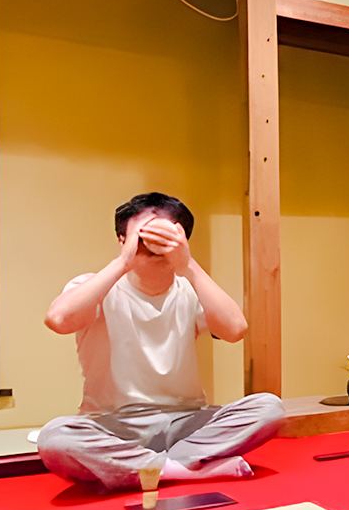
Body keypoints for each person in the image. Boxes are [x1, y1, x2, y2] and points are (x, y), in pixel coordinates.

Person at [38, 192, 283, 490]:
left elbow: (235, 329)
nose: (153, 242)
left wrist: (188, 264)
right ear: (121, 239)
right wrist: (123, 261)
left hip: (186, 422)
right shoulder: (95, 287)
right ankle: (186, 470)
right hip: (116, 425)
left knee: (270, 407)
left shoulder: (190, 289)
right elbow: (58, 319)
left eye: (165, 233)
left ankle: (150, 467)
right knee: (55, 439)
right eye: (142, 234)